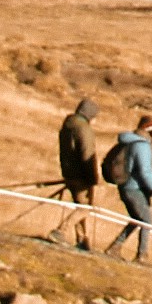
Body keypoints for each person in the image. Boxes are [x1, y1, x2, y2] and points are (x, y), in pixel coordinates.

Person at [106, 111, 152, 264]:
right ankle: (142, 255)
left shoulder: (129, 141)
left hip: (125, 186)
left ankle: (115, 247)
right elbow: (145, 171)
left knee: (137, 219)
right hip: (134, 188)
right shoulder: (142, 146)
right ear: (150, 131)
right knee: (146, 221)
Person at [55, 95, 101, 249]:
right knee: (86, 208)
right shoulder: (84, 129)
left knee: (80, 205)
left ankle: (82, 240)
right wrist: (93, 178)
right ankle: (60, 231)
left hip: (68, 172)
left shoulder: (68, 126)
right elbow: (88, 154)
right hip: (81, 175)